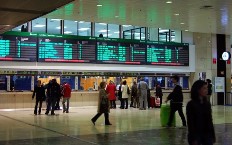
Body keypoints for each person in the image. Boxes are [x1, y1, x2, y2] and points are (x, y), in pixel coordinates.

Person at [187, 80, 216, 145]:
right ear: (198, 90)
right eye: (204, 88)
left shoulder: (207, 104)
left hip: (207, 135)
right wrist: (193, 138)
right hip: (197, 135)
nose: (206, 90)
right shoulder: (191, 104)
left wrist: (212, 135)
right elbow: (190, 122)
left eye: (207, 88)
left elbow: (210, 120)